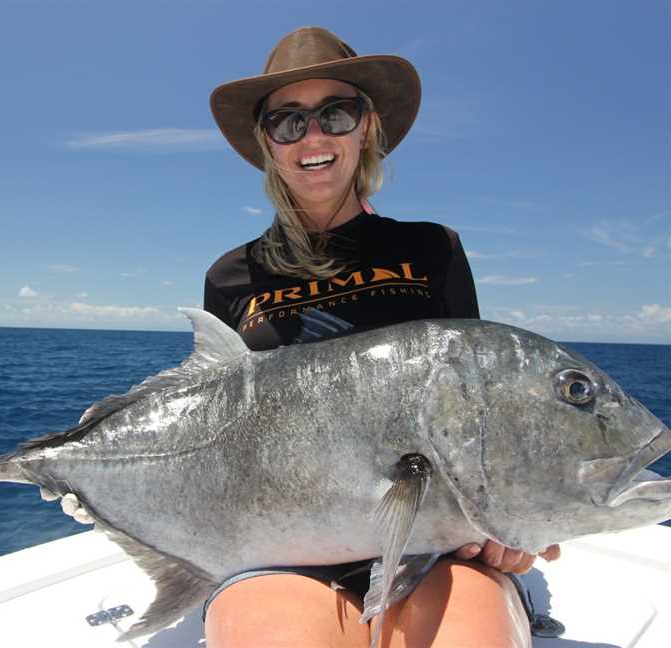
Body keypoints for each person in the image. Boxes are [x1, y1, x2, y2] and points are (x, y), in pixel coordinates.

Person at [202, 26, 560, 648]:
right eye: (288, 122)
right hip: (280, 539)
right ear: (268, 143)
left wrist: (510, 517)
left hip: (433, 542)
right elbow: (215, 427)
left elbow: (475, 406)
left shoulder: (430, 249)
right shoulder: (231, 277)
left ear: (365, 127)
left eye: (334, 114)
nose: (313, 137)